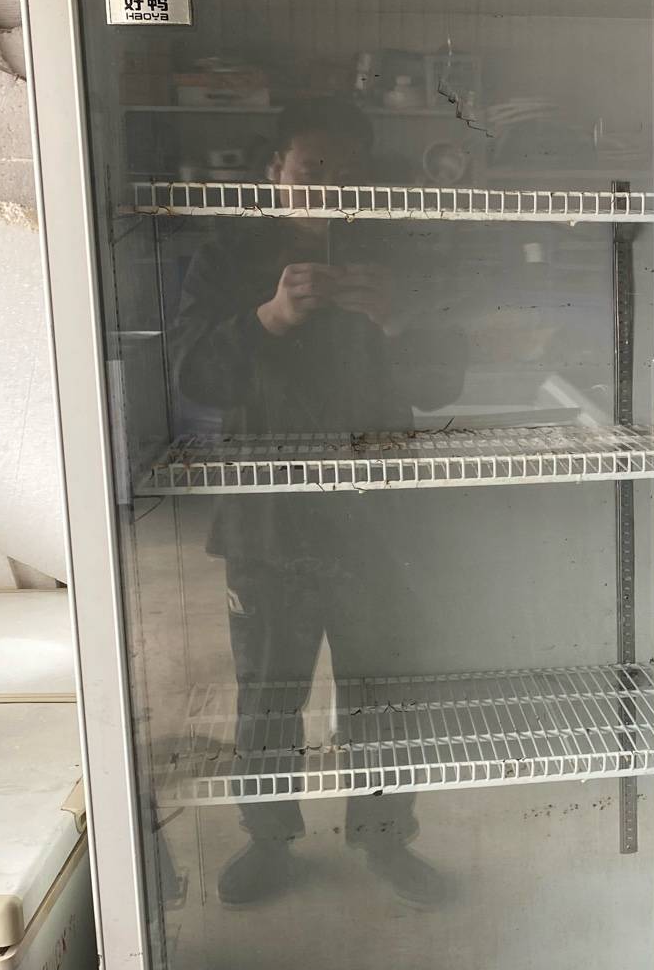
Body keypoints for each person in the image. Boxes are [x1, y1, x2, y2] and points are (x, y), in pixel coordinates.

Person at [171, 99, 461, 908]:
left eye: (348, 172)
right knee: (268, 691)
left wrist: (397, 320)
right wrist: (268, 317)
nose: (331, 185)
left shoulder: (396, 253)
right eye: (312, 168)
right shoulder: (227, 254)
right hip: (267, 521)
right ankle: (269, 841)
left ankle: (386, 839)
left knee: (383, 692)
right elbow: (192, 377)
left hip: (380, 519)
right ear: (275, 172)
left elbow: (444, 384)